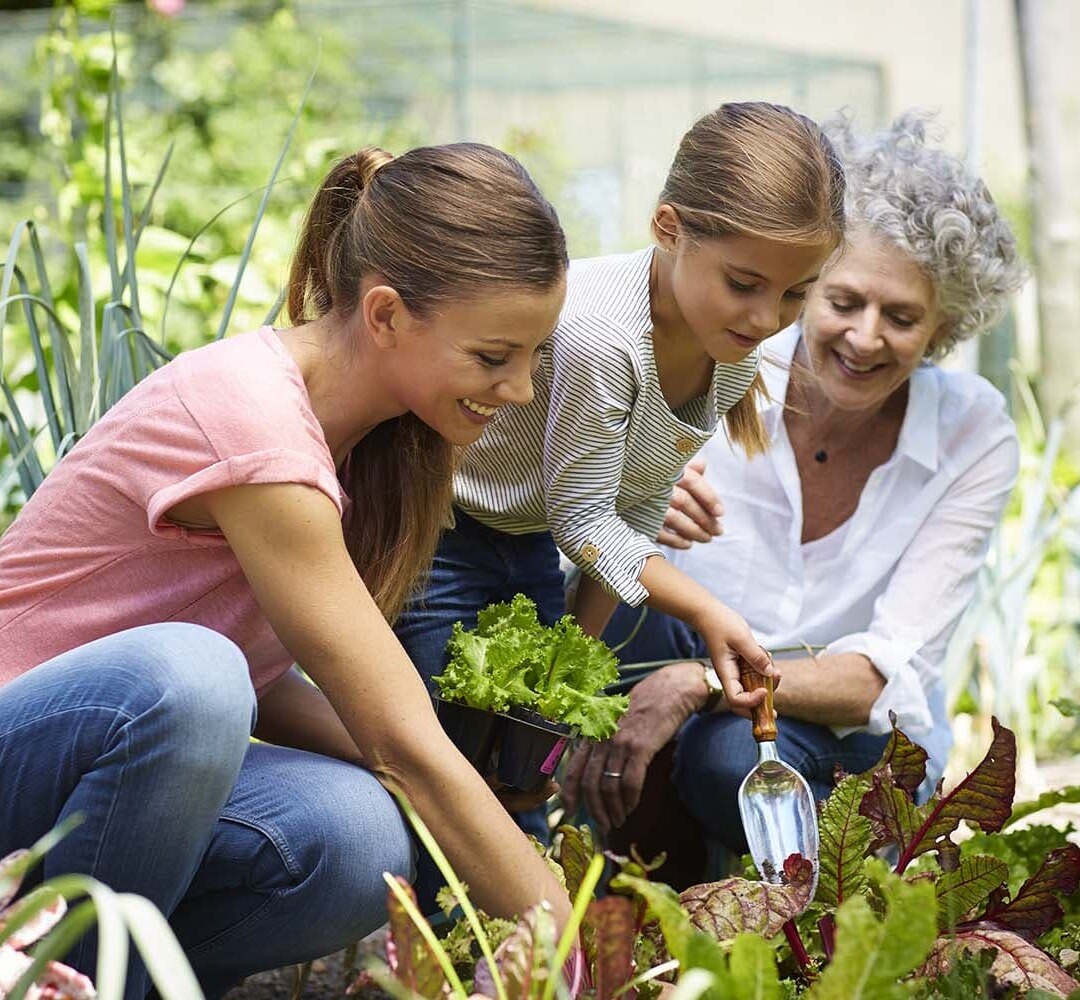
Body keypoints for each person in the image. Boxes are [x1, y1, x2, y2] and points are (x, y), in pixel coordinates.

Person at [0, 143, 573, 999]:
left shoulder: (367, 445)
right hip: (26, 735)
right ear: (385, 314)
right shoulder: (256, 422)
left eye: (534, 355)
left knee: (356, 839)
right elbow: (389, 738)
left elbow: (268, 688)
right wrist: (575, 947)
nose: (522, 388)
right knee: (193, 680)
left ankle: (110, 976)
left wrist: (467, 792)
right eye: (494, 357)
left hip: (111, 763)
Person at [564, 111, 1027, 864]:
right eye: (843, 302)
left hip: (838, 733)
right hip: (674, 656)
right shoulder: (724, 357)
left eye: (902, 317)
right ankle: (615, 870)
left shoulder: (972, 436)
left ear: (943, 327)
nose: (866, 337)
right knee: (619, 614)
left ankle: (787, 923)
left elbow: (878, 679)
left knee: (727, 757)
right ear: (803, 289)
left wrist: (699, 682)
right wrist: (639, 489)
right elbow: (580, 515)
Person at [395, 103, 846, 744]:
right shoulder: (606, 339)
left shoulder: (732, 354)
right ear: (668, 227)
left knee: (525, 754)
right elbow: (583, 523)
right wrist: (706, 610)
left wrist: (566, 669)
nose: (766, 317)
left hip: (527, 541)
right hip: (443, 532)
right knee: (444, 759)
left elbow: (630, 512)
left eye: (795, 293)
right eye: (743, 283)